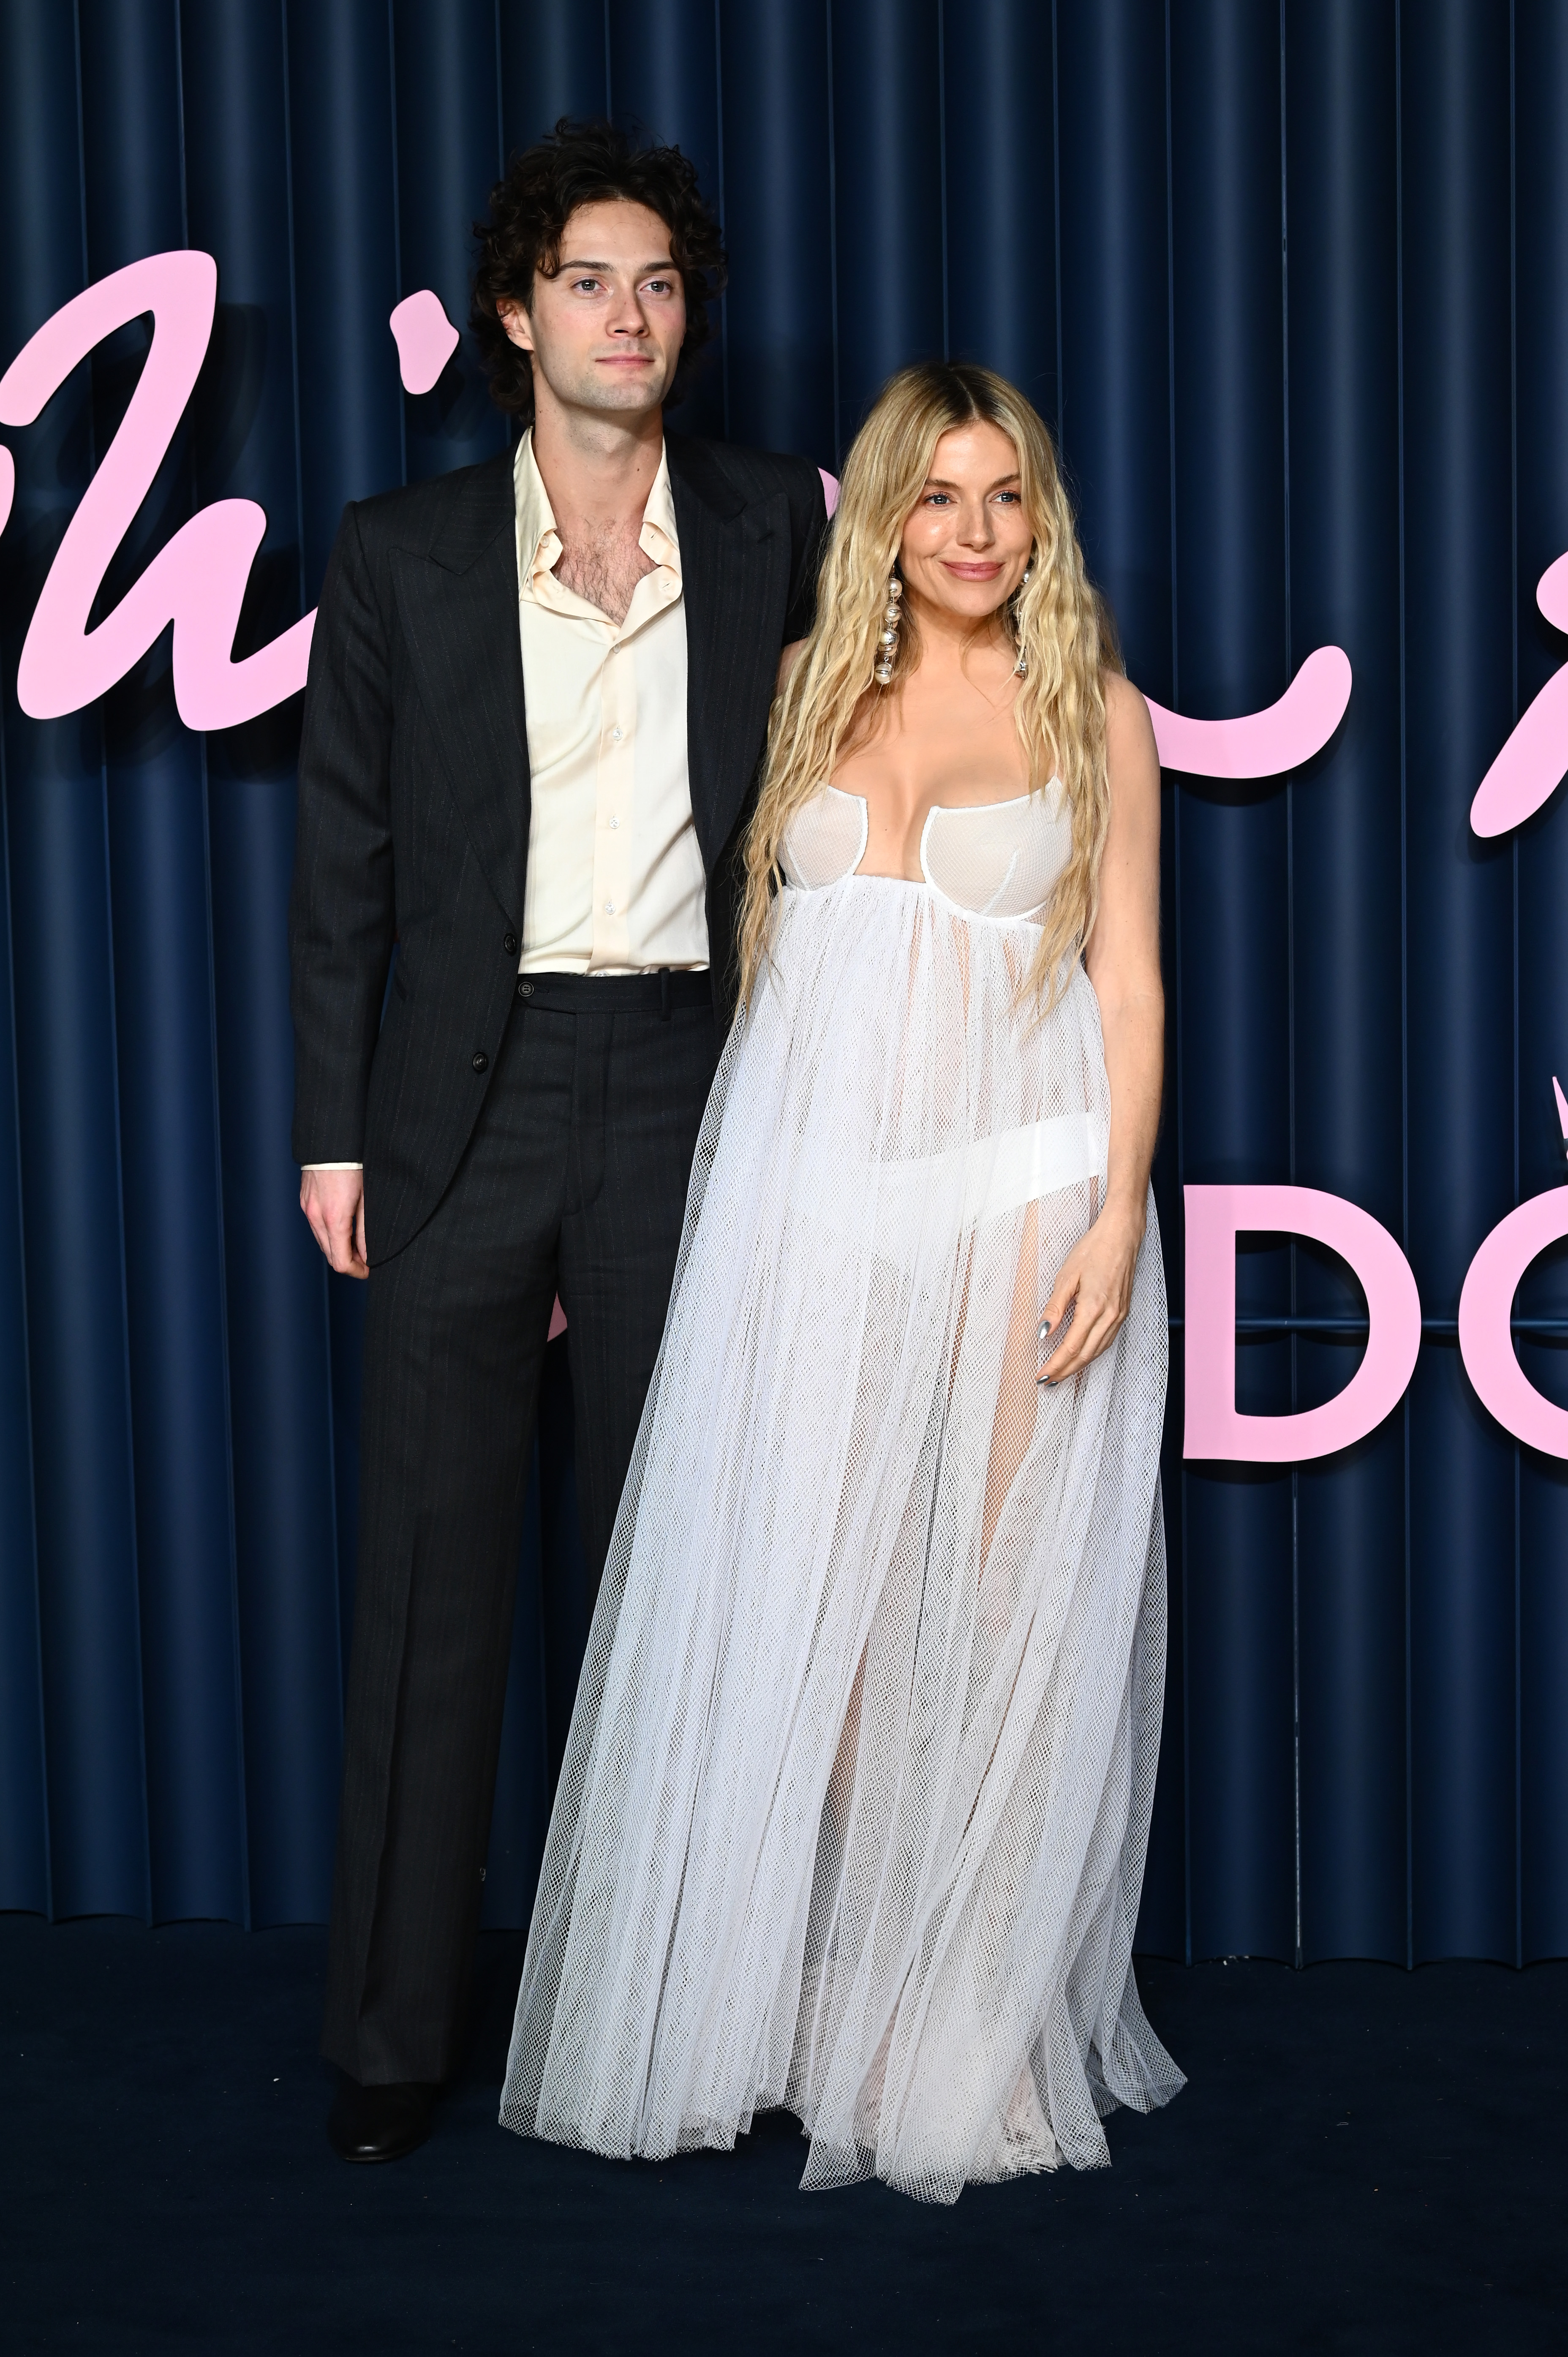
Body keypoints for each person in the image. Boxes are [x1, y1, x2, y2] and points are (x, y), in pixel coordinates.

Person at [501, 361, 1183, 2202]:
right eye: (938, 498)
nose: (975, 535)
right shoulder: (803, 691)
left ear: (1041, 517)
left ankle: (965, 2022)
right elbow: (756, 979)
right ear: (879, 513)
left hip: (1018, 1208)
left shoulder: (1093, 714)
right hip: (807, 1222)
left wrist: (1118, 1212)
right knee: (844, 1630)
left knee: (998, 1615)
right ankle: (859, 1994)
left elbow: (1127, 987)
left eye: (1008, 497)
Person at [289, 118, 825, 2165]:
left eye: (662, 284)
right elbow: (343, 862)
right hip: (459, 1106)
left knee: (679, 1582)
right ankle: (387, 2044)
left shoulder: (777, 521)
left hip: (687, 1090)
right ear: (516, 314)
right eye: (591, 280)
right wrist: (334, 1137)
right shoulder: (397, 548)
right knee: (430, 1587)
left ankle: (668, 2028)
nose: (632, 316)